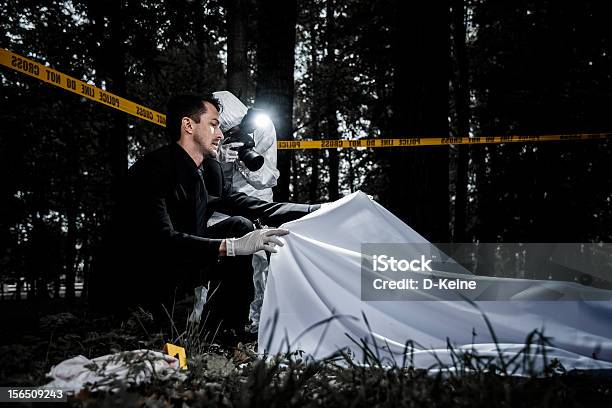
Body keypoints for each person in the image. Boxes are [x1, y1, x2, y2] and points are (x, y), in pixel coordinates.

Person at [89, 93, 319, 339]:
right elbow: (163, 241)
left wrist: (318, 209)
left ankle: (225, 330)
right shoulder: (153, 170)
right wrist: (229, 247)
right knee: (227, 242)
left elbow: (254, 206)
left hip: (181, 262)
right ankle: (156, 326)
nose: (221, 135)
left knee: (239, 224)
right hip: (140, 277)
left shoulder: (210, 170)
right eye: (213, 125)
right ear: (188, 125)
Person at [210, 90, 279, 334]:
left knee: (260, 262)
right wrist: (216, 157)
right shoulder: (208, 129)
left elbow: (269, 177)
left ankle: (256, 325)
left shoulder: (262, 126)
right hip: (220, 204)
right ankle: (207, 322)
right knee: (215, 254)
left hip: (256, 201)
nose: (228, 136)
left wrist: (242, 160)